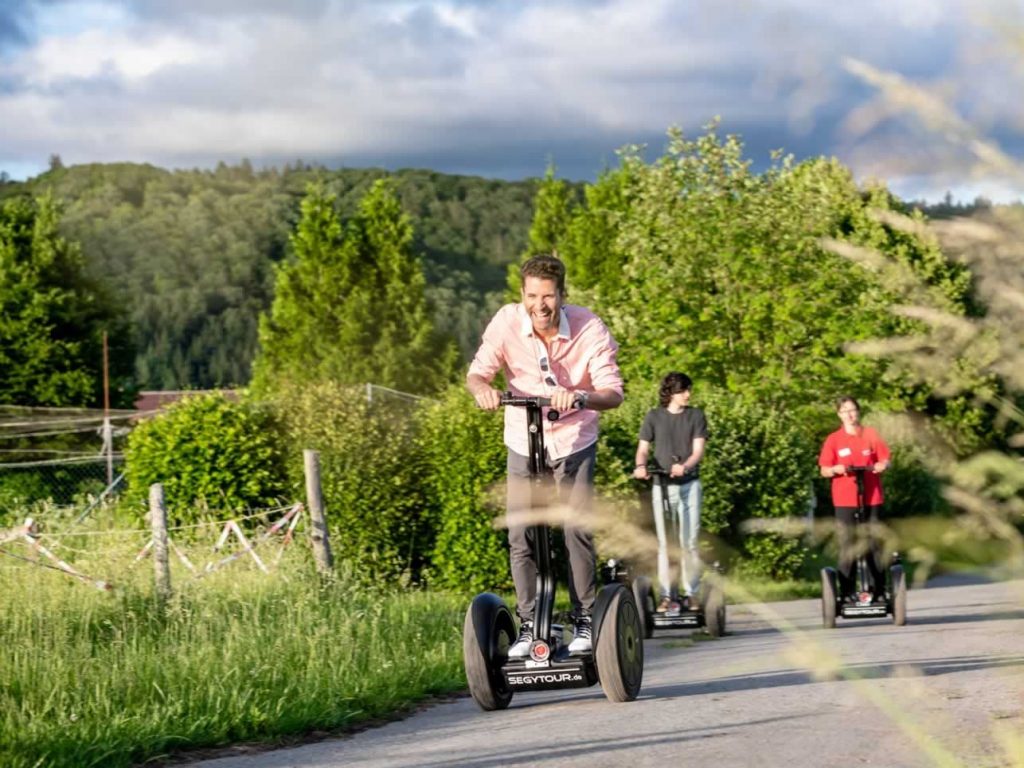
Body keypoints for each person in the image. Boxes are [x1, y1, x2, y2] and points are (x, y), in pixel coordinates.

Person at [467, 254, 624, 658]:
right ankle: (532, 624)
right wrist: (482, 389)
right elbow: (478, 372)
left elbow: (613, 392)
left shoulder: (590, 328)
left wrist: (582, 395)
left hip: (573, 439)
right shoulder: (506, 322)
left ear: (562, 296)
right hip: (523, 437)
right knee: (521, 534)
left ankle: (586, 619)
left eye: (549, 296)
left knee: (575, 531)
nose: (540, 305)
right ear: (522, 294)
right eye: (532, 295)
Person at [632, 373, 708, 612]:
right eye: (684, 390)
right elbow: (643, 449)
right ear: (671, 392)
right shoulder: (654, 417)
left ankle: (691, 594)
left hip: (689, 485)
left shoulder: (696, 416)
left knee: (689, 542)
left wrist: (684, 466)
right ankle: (667, 595)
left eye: (689, 390)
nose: (688, 394)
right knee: (665, 544)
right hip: (661, 486)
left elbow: (698, 451)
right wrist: (641, 466)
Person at [818, 396, 891, 602]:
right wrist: (835, 469)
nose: (849, 415)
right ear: (839, 414)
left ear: (858, 412)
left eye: (852, 410)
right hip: (844, 499)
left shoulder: (870, 434)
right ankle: (847, 592)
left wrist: (882, 465)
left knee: (873, 545)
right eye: (844, 411)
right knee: (847, 544)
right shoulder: (834, 439)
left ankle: (879, 591)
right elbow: (824, 469)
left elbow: (885, 459)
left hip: (871, 497)